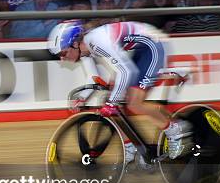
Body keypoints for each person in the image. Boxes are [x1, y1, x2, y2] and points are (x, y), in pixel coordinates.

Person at [47, 20, 193, 160]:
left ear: (74, 44)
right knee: (111, 99)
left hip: (153, 46)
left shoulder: (96, 41)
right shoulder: (84, 50)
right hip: (141, 50)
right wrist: (83, 97)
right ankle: (130, 146)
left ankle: (175, 129)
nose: (62, 59)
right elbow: (94, 77)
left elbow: (127, 71)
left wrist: (112, 102)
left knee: (134, 103)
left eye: (62, 53)